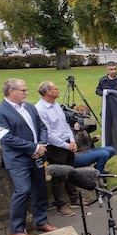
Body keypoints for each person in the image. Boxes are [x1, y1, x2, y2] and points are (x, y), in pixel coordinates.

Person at [0, 78, 58, 235]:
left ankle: (41, 221)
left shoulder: (30, 107)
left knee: (40, 189)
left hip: (37, 156)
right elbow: (7, 138)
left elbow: (41, 127)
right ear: (11, 91)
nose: (27, 93)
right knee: (23, 191)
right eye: (23, 90)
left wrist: (40, 145)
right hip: (18, 159)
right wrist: (33, 148)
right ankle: (16, 229)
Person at [35, 81, 78, 218]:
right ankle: (61, 205)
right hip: (55, 147)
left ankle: (74, 198)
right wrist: (65, 145)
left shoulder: (56, 105)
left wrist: (72, 140)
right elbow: (47, 133)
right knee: (58, 176)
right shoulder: (40, 109)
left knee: (71, 172)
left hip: (67, 141)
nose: (58, 90)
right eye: (55, 88)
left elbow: (65, 124)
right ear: (48, 92)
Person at [70, 105, 115, 175]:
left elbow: (93, 123)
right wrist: (79, 131)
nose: (86, 118)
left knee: (111, 150)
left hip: (86, 150)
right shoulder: (71, 127)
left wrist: (94, 139)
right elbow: (75, 145)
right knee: (104, 154)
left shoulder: (83, 124)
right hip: (77, 156)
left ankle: (99, 168)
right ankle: (98, 175)